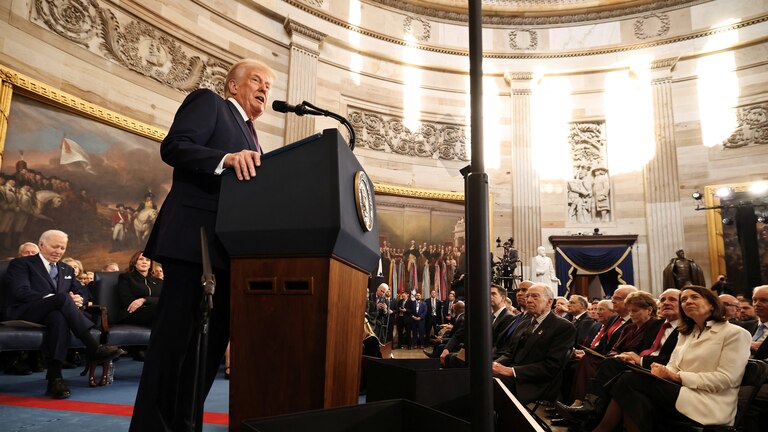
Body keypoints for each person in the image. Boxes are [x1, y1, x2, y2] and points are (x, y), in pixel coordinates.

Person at [130, 58, 274, 432]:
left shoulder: (253, 135)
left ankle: (184, 424)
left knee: (205, 354)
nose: (264, 89)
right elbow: (175, 147)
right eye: (256, 80)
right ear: (233, 86)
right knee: (175, 348)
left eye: (269, 86)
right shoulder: (211, 104)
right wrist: (225, 158)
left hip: (228, 252)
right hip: (194, 244)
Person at [592, 285, 751, 431]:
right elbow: (673, 365)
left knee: (629, 381)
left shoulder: (735, 333)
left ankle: (597, 424)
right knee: (633, 392)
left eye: (694, 297)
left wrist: (676, 376)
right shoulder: (686, 333)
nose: (688, 301)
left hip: (710, 402)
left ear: (712, 304)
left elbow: (727, 379)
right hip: (682, 391)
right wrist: (660, 372)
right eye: (684, 299)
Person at [3, 230, 123, 399]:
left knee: (58, 318)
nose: (59, 251)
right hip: (25, 312)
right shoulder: (22, 264)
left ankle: (55, 379)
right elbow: (21, 292)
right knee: (61, 299)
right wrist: (59, 299)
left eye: (63, 247)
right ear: (42, 244)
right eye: (55, 246)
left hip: (54, 315)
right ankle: (93, 346)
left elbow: (83, 292)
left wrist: (79, 298)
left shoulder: (66, 268)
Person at [492, 283, 575, 404]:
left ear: (549, 302)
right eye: (527, 297)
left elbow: (551, 366)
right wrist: (494, 365)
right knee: (480, 375)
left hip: (535, 383)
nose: (529, 300)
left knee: (488, 384)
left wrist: (512, 371)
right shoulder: (525, 322)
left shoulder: (563, 327)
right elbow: (510, 353)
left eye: (535, 296)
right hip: (513, 375)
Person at [116, 251, 163, 326]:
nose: (144, 262)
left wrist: (144, 300)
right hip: (132, 314)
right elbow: (127, 301)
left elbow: (165, 300)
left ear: (150, 264)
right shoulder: (126, 277)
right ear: (134, 263)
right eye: (141, 259)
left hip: (153, 313)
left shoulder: (159, 281)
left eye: (147, 260)